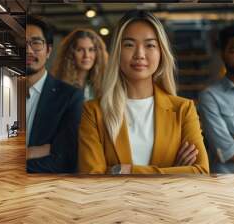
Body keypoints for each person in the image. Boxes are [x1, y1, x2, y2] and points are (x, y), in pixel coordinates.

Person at [78, 11, 209, 174]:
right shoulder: (93, 112)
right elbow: (93, 177)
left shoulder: (183, 109)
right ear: (117, 52)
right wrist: (172, 171)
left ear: (161, 53)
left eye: (150, 45)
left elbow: (201, 171)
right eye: (129, 45)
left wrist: (124, 170)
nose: (139, 54)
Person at [26, 16, 84, 173]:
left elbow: (65, 161)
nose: (28, 50)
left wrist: (11, 163)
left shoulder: (70, 97)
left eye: (36, 43)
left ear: (49, 51)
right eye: (21, 43)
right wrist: (32, 153)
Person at [197, 25, 234, 174]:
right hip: (225, 183)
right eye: (233, 50)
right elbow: (227, 152)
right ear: (222, 54)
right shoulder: (209, 96)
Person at [51, 29, 108, 101]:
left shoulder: (105, 84)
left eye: (91, 50)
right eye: (80, 50)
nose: (86, 55)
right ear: (70, 53)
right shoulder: (57, 85)